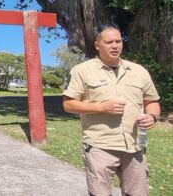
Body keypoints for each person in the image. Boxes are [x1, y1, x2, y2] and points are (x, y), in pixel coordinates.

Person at [62, 24, 161, 196]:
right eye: (109, 42)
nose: (115, 46)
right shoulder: (82, 71)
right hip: (100, 145)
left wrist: (152, 117)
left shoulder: (139, 71)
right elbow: (68, 104)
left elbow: (152, 101)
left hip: (135, 146)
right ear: (97, 45)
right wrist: (102, 107)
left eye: (118, 41)